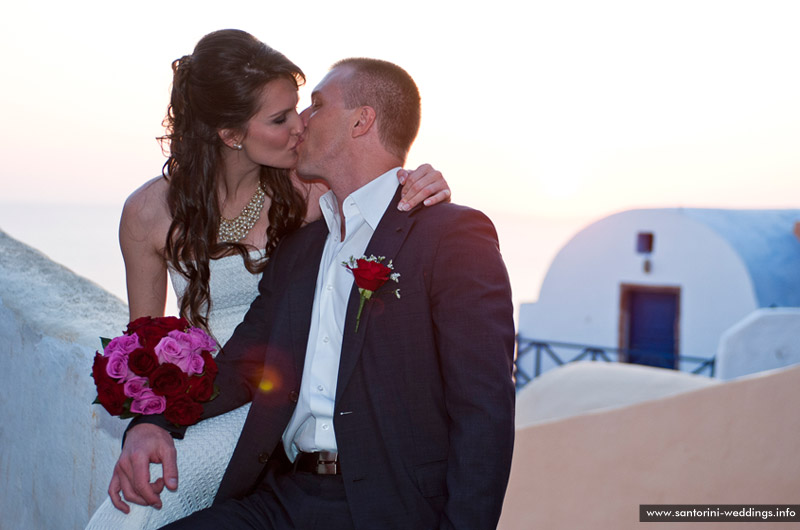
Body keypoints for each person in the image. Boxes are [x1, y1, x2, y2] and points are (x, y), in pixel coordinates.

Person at [114, 56, 515, 529]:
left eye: (316, 106)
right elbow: (245, 362)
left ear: (362, 121)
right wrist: (150, 423)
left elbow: (484, 410)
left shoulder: (449, 234)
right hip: (287, 497)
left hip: (392, 508)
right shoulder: (303, 246)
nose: (301, 122)